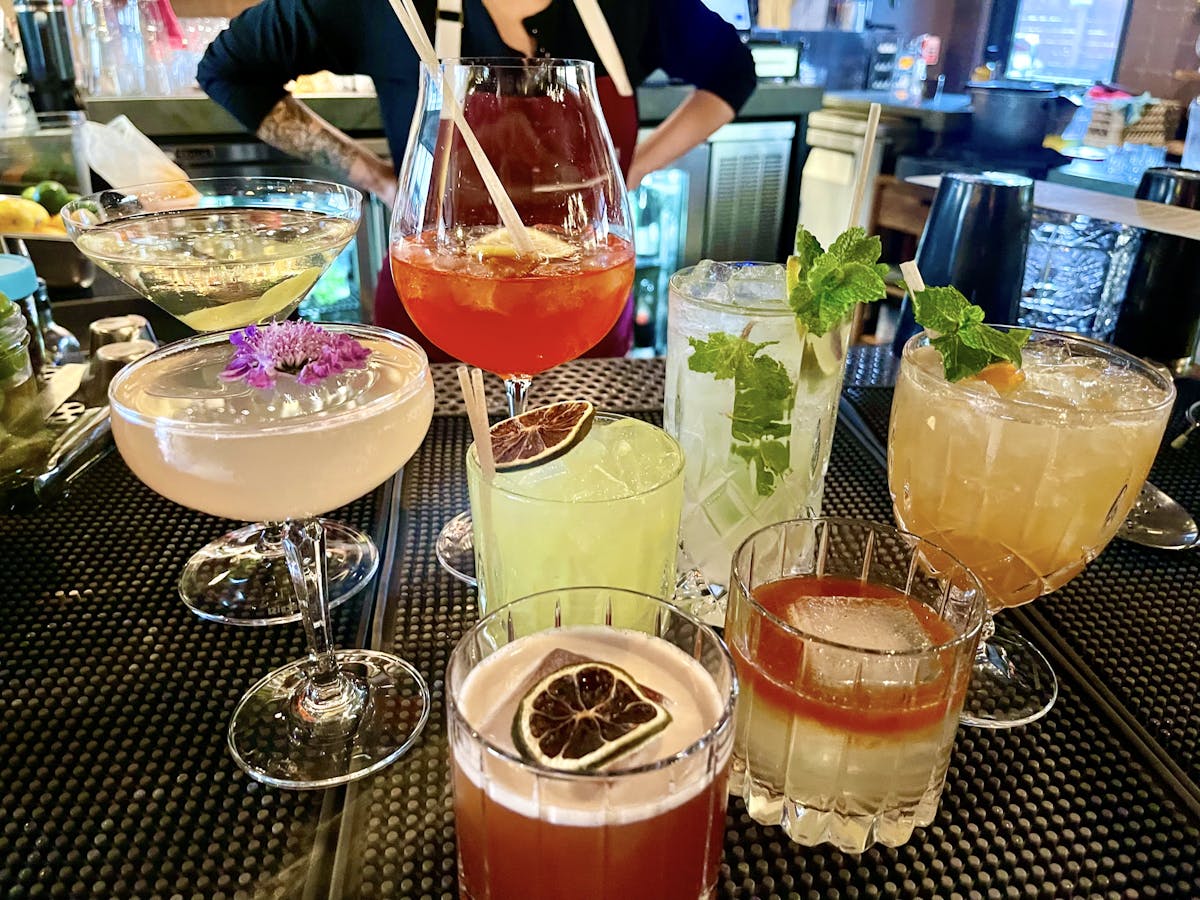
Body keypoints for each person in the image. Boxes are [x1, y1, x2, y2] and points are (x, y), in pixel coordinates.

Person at [198, 0, 755, 358]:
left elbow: (734, 71)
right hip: (443, 296)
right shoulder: (386, 7)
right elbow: (228, 68)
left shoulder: (636, 8)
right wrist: (375, 178)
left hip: (580, 298)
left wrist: (630, 169)